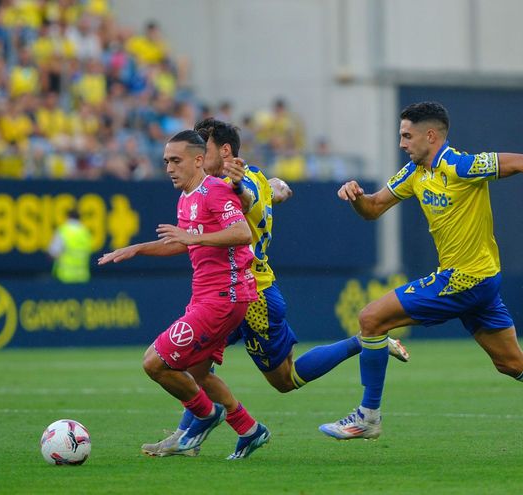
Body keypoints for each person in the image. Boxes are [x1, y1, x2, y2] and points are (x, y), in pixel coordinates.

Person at [318, 101, 523, 459]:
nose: (402, 143)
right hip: (481, 281)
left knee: (370, 319)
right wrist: (356, 197)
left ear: (430, 136)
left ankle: (368, 416)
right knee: (511, 362)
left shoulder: (460, 165)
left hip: (466, 279)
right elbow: (373, 209)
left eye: (406, 136)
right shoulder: (413, 173)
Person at [144, 118, 411, 452]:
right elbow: (274, 189)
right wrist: (277, 188)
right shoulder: (247, 177)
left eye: (204, 147)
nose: (195, 156)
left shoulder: (232, 186)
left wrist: (241, 189)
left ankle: (364, 342)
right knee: (195, 366)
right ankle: (195, 436)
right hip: (226, 289)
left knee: (286, 380)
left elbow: (243, 201)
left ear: (224, 151)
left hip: (251, 295)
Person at [97, 130, 270, 460]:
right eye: (165, 162)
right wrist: (137, 249)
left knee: (154, 363)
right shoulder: (186, 197)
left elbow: (241, 233)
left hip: (224, 297)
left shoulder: (215, 190)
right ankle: (249, 430)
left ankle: (203, 419)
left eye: (176, 161)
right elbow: (180, 242)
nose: (169, 168)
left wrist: (195, 236)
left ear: (199, 160)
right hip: (207, 295)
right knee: (199, 374)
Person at [48, 209, 93, 283]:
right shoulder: (85, 232)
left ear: (68, 217)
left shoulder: (63, 231)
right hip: (82, 276)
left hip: (65, 276)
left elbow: (53, 252)